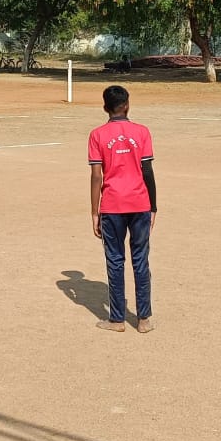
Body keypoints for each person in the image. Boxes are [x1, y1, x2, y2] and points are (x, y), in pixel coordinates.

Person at [87, 85, 157, 333]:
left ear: (105, 107)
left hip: (112, 206)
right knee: (141, 260)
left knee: (115, 261)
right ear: (127, 104)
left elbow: (97, 176)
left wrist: (94, 211)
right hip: (140, 203)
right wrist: (153, 206)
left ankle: (117, 319)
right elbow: (147, 170)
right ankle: (144, 319)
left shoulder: (97, 135)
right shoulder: (142, 132)